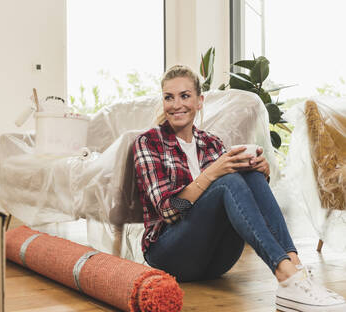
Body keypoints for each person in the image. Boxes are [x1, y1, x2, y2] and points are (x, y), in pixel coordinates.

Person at [133, 65, 346, 312]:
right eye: (169, 97)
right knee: (227, 180)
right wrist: (213, 171)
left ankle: (296, 271)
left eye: (185, 96)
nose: (176, 104)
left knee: (248, 175)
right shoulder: (149, 142)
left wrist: (260, 172)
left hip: (217, 262)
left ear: (200, 101)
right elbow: (169, 211)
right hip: (171, 255)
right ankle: (287, 275)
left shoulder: (211, 142)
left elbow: (241, 201)